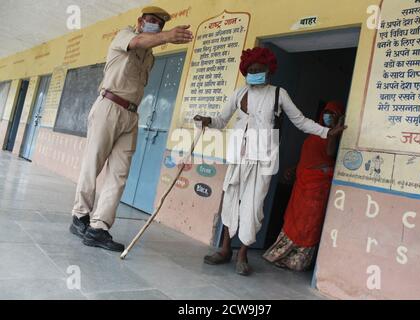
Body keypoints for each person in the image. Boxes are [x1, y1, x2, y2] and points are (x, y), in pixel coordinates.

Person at [194, 48, 347, 275]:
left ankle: (243, 255)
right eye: (251, 70)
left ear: (269, 71)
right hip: (238, 156)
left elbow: (301, 121)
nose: (255, 73)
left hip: (263, 159)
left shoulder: (278, 94)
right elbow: (220, 120)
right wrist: (206, 120)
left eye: (259, 70)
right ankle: (225, 250)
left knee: (254, 208)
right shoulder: (239, 94)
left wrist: (326, 132)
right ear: (246, 71)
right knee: (230, 201)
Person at [69, 6, 193, 252]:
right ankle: (79, 216)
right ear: (139, 21)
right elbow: (137, 40)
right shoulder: (123, 35)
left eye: (159, 24)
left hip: (131, 114)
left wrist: (159, 39)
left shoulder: (149, 56)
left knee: (119, 173)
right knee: (93, 164)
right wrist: (167, 36)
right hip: (109, 106)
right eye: (151, 21)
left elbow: (145, 46)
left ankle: (98, 228)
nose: (155, 25)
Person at [263, 101, 345, 271]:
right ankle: (280, 255)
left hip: (317, 187)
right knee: (295, 218)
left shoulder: (333, 135)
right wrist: (294, 168)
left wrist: (334, 132)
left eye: (332, 113)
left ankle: (297, 261)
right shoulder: (316, 130)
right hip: (302, 183)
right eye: (326, 112)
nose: (327, 115)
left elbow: (329, 153)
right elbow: (309, 157)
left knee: (308, 223)